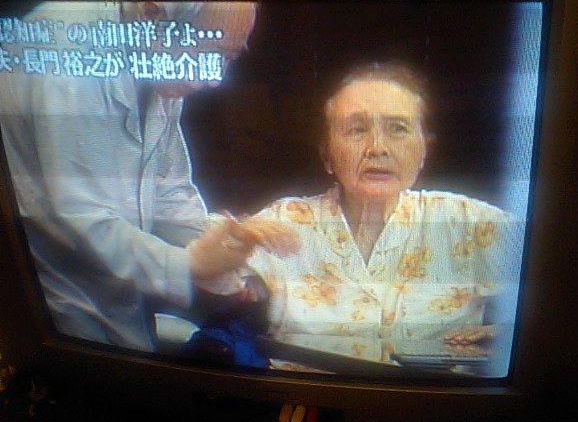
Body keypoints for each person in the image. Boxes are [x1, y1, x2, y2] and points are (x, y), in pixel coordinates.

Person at [0, 0, 290, 352]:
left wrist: (227, 251)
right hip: (58, 298)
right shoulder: (70, 51)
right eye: (210, 53)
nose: (213, 79)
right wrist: (187, 265)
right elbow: (80, 216)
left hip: (118, 295)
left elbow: (168, 189)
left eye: (228, 57)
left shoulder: (161, 60)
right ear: (151, 14)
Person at [193, 61, 521, 372]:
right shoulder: (289, 220)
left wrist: (514, 332)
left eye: (398, 129)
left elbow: (552, 279)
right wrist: (230, 244)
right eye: (356, 130)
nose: (377, 148)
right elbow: (202, 271)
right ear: (327, 154)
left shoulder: (465, 222)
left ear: (423, 151)